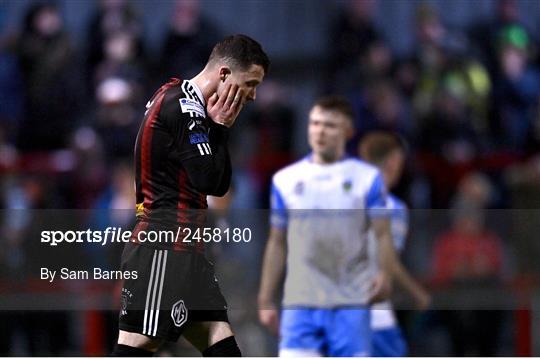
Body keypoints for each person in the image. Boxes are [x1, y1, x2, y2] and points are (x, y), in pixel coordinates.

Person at [112, 34, 269, 357]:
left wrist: (218, 128)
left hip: (188, 247)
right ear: (224, 74)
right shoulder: (183, 106)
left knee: (218, 338)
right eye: (251, 82)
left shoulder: (189, 105)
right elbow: (209, 179)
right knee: (137, 344)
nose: (252, 95)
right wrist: (221, 128)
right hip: (164, 244)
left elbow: (220, 184)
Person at [258, 96, 399, 357]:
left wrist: (386, 275)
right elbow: (277, 242)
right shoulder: (285, 181)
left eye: (330, 126)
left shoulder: (367, 179)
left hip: (350, 304)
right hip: (300, 305)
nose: (320, 131)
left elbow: (382, 235)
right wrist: (266, 297)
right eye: (314, 123)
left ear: (348, 131)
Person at [359, 131, 431, 356]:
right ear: (393, 161)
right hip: (373, 315)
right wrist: (417, 293)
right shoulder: (393, 208)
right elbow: (388, 262)